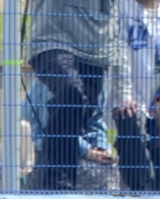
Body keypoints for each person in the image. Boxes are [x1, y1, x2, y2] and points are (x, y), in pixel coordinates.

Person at [26, 0, 131, 189]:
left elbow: (95, 122)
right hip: (53, 40)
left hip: (96, 53)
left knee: (76, 113)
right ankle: (56, 185)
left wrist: (102, 148)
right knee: (71, 93)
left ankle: (57, 186)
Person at [112, 0, 160, 190]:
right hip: (129, 109)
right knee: (140, 177)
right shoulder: (120, 9)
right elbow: (117, 60)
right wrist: (125, 97)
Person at [21, 76, 116, 190]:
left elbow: (95, 120)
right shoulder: (56, 79)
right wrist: (86, 151)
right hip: (45, 150)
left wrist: (102, 147)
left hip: (79, 148)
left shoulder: (98, 78)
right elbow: (53, 129)